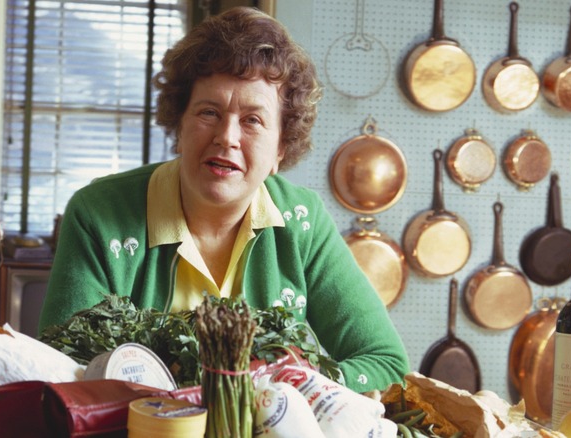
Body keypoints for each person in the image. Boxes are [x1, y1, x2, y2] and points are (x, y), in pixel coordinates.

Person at [38, 6, 409, 393]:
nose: (227, 137)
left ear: (281, 147)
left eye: (252, 120)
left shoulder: (303, 222)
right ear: (179, 125)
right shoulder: (98, 213)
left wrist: (299, 385)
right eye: (209, 112)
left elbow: (386, 364)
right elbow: (61, 369)